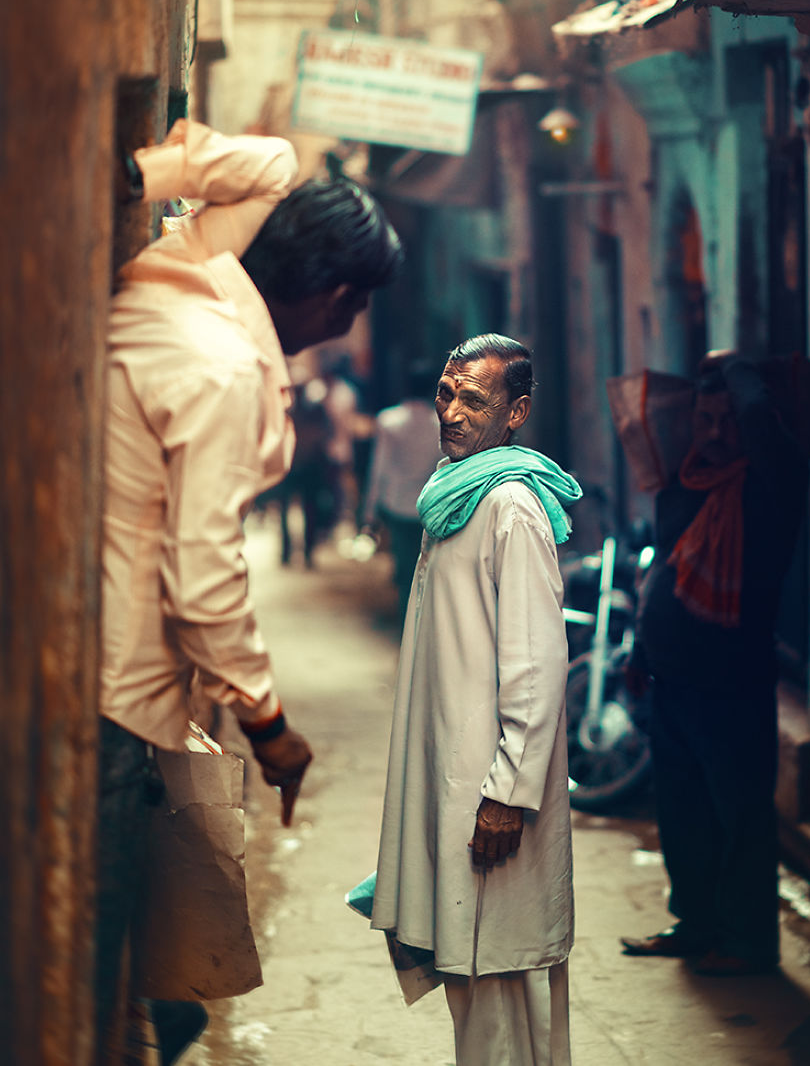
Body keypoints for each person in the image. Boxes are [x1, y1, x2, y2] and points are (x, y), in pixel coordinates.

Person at [98, 119, 402, 1061]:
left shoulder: (192, 263)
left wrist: (143, 170)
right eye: (351, 311)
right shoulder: (223, 366)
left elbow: (262, 159)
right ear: (341, 298)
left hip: (106, 663)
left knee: (155, 973)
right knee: (111, 945)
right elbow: (204, 572)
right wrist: (270, 724)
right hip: (115, 688)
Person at [370, 334, 582, 1066]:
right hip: (457, 777)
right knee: (476, 981)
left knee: (499, 983)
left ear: (516, 412)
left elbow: (536, 667)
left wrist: (508, 794)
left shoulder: (510, 506)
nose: (452, 412)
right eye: (446, 393)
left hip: (491, 798)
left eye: (475, 400)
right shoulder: (454, 492)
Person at [620, 350, 810, 976]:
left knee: (742, 817)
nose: (717, 432)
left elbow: (759, 419)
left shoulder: (770, 484)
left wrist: (735, 369)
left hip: (731, 684)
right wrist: (642, 649)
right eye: (705, 418)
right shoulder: (685, 484)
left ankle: (749, 941)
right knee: (683, 816)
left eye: (728, 420)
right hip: (673, 680)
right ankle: (696, 923)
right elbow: (665, 570)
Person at [361, 359, 441, 620]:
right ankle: (421, 622)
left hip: (396, 504)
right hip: (430, 506)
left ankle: (406, 620)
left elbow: (379, 467)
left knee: (404, 565)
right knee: (427, 568)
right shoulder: (441, 424)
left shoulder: (389, 421)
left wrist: (370, 512)